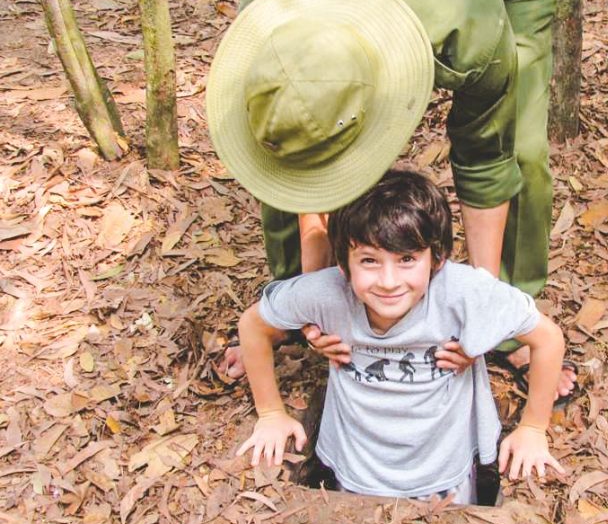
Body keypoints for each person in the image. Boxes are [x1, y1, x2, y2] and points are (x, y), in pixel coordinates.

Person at [206, 0, 576, 395]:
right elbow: (294, 160)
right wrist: (313, 301)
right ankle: (286, 312)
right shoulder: (265, 18)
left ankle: (511, 329)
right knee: (280, 146)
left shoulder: (470, 36)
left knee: (520, 151)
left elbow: (486, 159)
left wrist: (480, 311)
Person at [236, 171, 566, 503]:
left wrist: (533, 429)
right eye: (369, 261)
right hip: (353, 472)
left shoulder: (462, 292)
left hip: (446, 476)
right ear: (342, 264)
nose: (389, 281)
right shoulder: (328, 294)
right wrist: (271, 414)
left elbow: (548, 339)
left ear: (437, 258)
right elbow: (253, 326)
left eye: (407, 259)